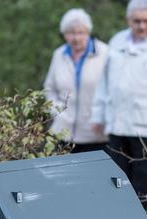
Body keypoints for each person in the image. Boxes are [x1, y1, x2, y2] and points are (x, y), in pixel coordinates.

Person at [91, 0, 147, 215]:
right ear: (128, 20)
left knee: (143, 183)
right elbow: (104, 83)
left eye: (146, 21)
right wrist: (98, 115)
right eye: (137, 21)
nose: (142, 26)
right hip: (117, 125)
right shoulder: (116, 41)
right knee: (115, 181)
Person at [44, 8, 109, 153]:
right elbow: (49, 88)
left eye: (81, 33)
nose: (76, 38)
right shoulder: (59, 55)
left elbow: (113, 90)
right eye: (71, 33)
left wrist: (103, 116)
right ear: (64, 34)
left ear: (88, 32)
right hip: (63, 132)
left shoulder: (105, 53)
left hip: (96, 134)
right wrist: (57, 111)